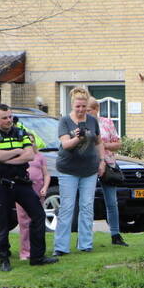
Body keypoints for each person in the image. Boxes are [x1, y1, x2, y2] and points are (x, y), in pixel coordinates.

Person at [0, 104, 58, 271]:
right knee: (2, 223)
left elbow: (30, 155)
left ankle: (37, 257)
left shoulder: (20, 132)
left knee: (38, 215)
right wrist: (17, 150)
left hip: (21, 183)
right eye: (4, 118)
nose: (9, 120)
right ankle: (4, 259)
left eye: (10, 116)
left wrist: (6, 159)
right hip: (1, 184)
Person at [54, 87, 104, 256]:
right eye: (78, 106)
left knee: (87, 206)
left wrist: (102, 161)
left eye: (84, 106)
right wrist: (77, 138)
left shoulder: (92, 121)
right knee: (67, 207)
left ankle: (85, 243)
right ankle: (61, 247)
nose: (81, 110)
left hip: (89, 170)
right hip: (68, 169)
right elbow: (66, 144)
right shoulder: (65, 121)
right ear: (72, 105)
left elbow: (99, 142)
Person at [88, 97, 127, 246]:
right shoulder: (83, 123)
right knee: (87, 202)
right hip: (89, 165)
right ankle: (85, 235)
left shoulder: (107, 123)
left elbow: (118, 143)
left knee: (111, 201)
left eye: (89, 110)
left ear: (96, 109)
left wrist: (104, 146)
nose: (86, 113)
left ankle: (115, 234)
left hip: (108, 164)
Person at [15, 134, 48, 260]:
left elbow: (46, 174)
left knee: (37, 221)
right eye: (28, 141)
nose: (31, 143)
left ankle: (36, 250)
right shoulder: (19, 157)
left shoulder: (40, 156)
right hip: (23, 192)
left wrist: (45, 187)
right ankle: (25, 251)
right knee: (24, 222)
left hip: (37, 191)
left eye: (33, 141)